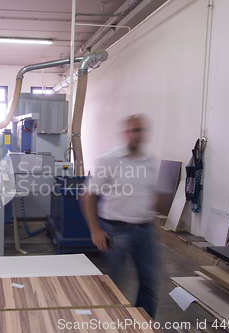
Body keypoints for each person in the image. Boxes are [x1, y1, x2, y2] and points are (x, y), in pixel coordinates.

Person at [80, 114, 160, 319]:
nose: (137, 135)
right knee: (114, 283)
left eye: (141, 130)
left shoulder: (149, 161)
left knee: (149, 282)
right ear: (126, 133)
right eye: (133, 130)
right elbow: (88, 195)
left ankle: (143, 325)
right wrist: (95, 229)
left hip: (145, 230)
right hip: (116, 231)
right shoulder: (111, 159)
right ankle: (110, 324)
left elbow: (149, 195)